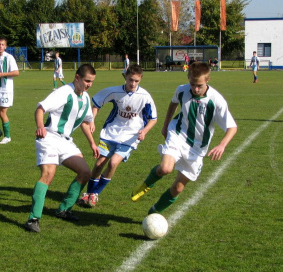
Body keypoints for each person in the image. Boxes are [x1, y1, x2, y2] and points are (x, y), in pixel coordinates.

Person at [131, 62, 237, 217]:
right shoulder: (182, 90)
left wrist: (222, 145)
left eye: (199, 85)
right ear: (188, 78)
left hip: (197, 148)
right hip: (178, 135)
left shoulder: (216, 101)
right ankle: (147, 184)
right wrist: (166, 125)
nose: (195, 89)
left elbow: (232, 127)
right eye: (193, 84)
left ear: (208, 80)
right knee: (165, 169)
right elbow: (173, 103)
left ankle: (153, 213)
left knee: (178, 189)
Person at [25, 64, 100, 233]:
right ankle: (33, 219)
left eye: (92, 82)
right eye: (87, 81)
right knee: (48, 175)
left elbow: (86, 123)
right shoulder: (63, 92)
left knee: (85, 173)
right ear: (77, 77)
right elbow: (40, 108)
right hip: (49, 137)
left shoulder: (86, 98)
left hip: (66, 141)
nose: (89, 84)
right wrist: (40, 126)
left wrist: (92, 143)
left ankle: (63, 209)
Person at [77, 64, 157, 208]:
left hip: (130, 137)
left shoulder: (145, 97)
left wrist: (144, 131)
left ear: (140, 80)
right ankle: (88, 194)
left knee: (113, 163)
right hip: (110, 133)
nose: (133, 83)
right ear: (125, 76)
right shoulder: (114, 91)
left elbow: (153, 118)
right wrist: (92, 120)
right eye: (130, 80)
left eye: (136, 81)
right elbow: (96, 103)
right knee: (99, 163)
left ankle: (95, 194)